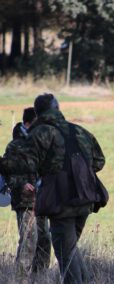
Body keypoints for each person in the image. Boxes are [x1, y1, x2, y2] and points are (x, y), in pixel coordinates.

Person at [0, 94, 106, 284]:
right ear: (57, 108)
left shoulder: (40, 133)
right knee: (71, 248)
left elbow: (23, 164)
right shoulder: (79, 131)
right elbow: (99, 162)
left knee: (65, 252)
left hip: (61, 201)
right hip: (87, 197)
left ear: (39, 112)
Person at [3, 107, 51, 278]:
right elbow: (7, 172)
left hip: (42, 199)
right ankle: (20, 278)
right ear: (27, 123)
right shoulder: (15, 146)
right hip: (24, 200)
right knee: (29, 240)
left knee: (44, 240)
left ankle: (40, 277)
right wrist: (21, 184)